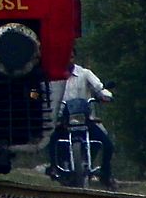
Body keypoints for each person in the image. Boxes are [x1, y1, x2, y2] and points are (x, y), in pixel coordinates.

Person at [47, 49, 116, 188]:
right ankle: (54, 167)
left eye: (71, 56)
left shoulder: (85, 74)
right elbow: (37, 92)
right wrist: (35, 98)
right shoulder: (52, 76)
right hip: (62, 121)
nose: (68, 59)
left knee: (107, 143)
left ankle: (105, 173)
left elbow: (99, 87)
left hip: (85, 120)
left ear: (74, 57)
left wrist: (105, 95)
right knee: (50, 141)